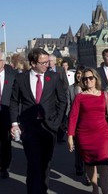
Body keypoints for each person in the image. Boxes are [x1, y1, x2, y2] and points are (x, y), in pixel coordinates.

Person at [10, 48, 67, 194]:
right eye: (43, 63)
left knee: (45, 164)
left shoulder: (53, 77)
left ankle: (42, 189)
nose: (47, 65)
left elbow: (62, 101)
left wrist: (57, 121)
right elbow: (15, 102)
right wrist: (15, 124)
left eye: (48, 62)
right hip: (29, 128)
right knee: (34, 163)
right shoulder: (20, 79)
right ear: (33, 63)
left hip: (49, 127)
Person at [67, 67, 108, 194]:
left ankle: (106, 192)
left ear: (96, 79)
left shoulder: (105, 95)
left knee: (104, 165)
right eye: (85, 78)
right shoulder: (80, 97)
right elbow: (73, 117)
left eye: (90, 78)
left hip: (103, 135)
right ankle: (95, 188)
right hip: (84, 136)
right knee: (90, 164)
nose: (87, 80)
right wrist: (70, 136)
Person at [66, 65, 88, 178]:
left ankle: (87, 167)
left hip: (86, 120)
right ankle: (79, 166)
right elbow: (68, 105)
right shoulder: (71, 88)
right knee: (78, 146)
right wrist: (67, 121)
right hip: (75, 120)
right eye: (77, 73)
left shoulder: (88, 88)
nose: (79, 75)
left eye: (81, 73)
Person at [0, 52, 16, 179]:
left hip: (6, 114)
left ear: (3, 62)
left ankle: (4, 167)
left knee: (6, 142)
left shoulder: (11, 75)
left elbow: (16, 97)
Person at [49, 54, 69, 143]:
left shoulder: (60, 70)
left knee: (61, 116)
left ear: (55, 61)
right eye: (48, 61)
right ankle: (52, 135)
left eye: (51, 61)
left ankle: (60, 137)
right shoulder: (45, 70)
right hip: (50, 98)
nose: (49, 63)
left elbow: (65, 83)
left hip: (60, 97)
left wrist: (61, 93)